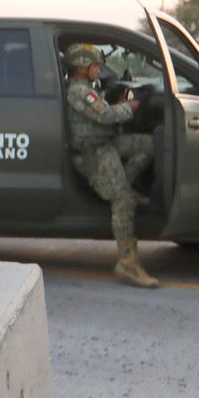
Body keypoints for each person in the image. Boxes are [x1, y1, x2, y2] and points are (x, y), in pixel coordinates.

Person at [62, 44, 161, 288]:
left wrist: (118, 104)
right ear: (81, 67)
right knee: (124, 201)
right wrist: (129, 107)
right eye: (94, 65)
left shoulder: (88, 89)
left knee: (149, 145)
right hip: (94, 152)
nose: (98, 69)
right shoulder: (79, 92)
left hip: (106, 142)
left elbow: (103, 112)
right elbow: (106, 115)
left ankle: (121, 185)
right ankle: (128, 263)